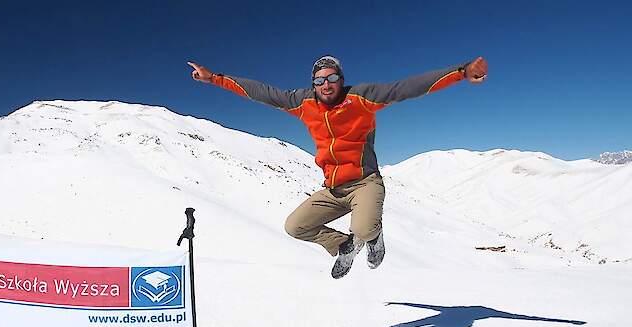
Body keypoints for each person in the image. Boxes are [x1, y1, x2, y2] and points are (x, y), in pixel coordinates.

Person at [187, 55, 488, 278]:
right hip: (333, 189)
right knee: (295, 226)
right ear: (313, 84)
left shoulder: (362, 98)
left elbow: (406, 88)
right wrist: (214, 79)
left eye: (332, 78)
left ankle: (372, 235)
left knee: (364, 228)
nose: (326, 84)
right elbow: (262, 92)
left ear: (341, 79)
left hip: (365, 183)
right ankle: (344, 246)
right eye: (319, 80)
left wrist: (460, 73)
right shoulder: (302, 102)